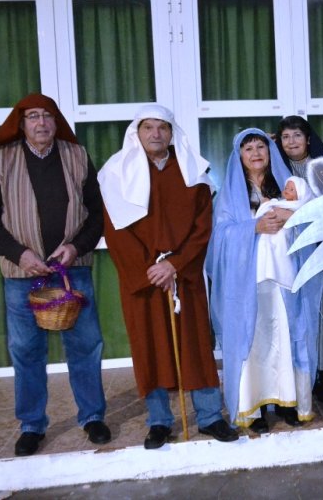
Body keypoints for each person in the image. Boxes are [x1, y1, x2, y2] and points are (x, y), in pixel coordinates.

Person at [0, 93, 110, 456]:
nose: (41, 123)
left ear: (56, 121)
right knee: (26, 350)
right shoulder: (2, 160)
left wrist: (75, 247)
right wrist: (21, 254)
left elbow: (97, 213)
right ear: (22, 124)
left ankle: (93, 416)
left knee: (85, 345)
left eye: (47, 116)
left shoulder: (76, 156)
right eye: (33, 117)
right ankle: (32, 424)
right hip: (22, 274)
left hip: (72, 272)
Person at [98, 104, 237, 448]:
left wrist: (175, 264)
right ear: (137, 132)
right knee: (150, 348)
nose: (156, 134)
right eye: (149, 127)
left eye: (162, 128)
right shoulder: (117, 173)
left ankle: (208, 417)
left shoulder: (192, 171)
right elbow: (116, 230)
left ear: (172, 133)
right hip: (143, 280)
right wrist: (151, 270)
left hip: (183, 276)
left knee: (195, 346)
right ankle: (159, 421)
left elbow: (203, 227)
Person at [206, 129, 321, 434]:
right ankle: (253, 407)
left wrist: (289, 218)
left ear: (270, 152)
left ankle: (288, 401)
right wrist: (254, 227)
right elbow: (220, 239)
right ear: (239, 157)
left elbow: (309, 219)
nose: (256, 153)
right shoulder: (231, 195)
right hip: (248, 283)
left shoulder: (286, 187)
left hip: (285, 278)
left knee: (286, 338)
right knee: (254, 342)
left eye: (261, 147)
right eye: (248, 149)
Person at [276, 115, 323, 401]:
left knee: (321, 312)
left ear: (308, 138)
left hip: (321, 249)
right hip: (288, 253)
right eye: (285, 137)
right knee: (295, 314)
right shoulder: (277, 171)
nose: (292, 142)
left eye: (297, 135)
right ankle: (299, 374)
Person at [254, 176, 313, 290]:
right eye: (286, 188)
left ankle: (281, 273)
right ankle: (265, 270)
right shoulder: (281, 202)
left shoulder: (299, 205)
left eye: (292, 190)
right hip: (270, 229)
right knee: (263, 242)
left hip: (285, 232)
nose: (287, 191)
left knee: (280, 241)